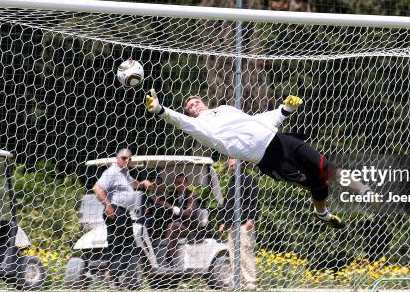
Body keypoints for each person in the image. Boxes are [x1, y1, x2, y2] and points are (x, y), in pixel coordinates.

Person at [144, 89, 346, 229]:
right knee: (316, 183)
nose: (194, 105)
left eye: (196, 101)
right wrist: (161, 111)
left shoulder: (224, 109)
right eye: (190, 106)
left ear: (203, 102)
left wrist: (285, 110)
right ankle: (323, 214)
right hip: (268, 160)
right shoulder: (201, 127)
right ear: (189, 112)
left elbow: (256, 120)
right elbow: (181, 122)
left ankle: (363, 191)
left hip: (278, 140)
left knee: (327, 168)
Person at [92, 148, 154, 281]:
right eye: (124, 158)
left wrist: (143, 184)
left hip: (124, 212)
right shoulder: (112, 172)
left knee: (125, 245)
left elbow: (133, 184)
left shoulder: (125, 173)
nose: (127, 160)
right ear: (117, 158)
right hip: (116, 210)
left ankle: (115, 274)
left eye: (129, 158)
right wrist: (108, 206)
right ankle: (113, 272)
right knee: (121, 244)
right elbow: (97, 188)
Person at [218, 157, 259, 290]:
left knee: (245, 252)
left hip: (244, 223)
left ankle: (250, 282)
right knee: (232, 253)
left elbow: (254, 202)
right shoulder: (232, 181)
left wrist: (251, 219)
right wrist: (223, 221)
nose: (230, 167)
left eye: (233, 165)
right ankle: (238, 282)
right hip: (232, 224)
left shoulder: (250, 180)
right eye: (230, 165)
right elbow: (227, 203)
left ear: (240, 165)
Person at [145, 173, 202, 258]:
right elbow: (162, 204)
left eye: (182, 182)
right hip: (174, 227)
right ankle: (148, 257)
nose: (180, 185)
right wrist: (156, 202)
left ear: (186, 183)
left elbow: (188, 214)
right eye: (177, 183)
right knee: (152, 224)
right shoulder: (172, 195)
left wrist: (170, 206)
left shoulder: (191, 196)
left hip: (188, 228)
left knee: (171, 226)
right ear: (174, 184)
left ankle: (171, 258)